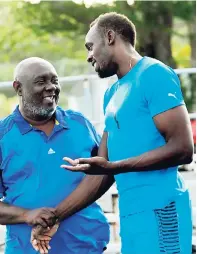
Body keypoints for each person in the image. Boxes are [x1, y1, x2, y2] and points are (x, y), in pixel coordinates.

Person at [62, 12, 194, 254]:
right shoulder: (110, 95)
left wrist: (115, 166)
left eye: (90, 47)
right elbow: (103, 170)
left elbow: (183, 149)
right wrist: (55, 215)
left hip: (161, 209)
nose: (88, 56)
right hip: (132, 217)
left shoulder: (154, 73)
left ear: (110, 37)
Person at [0, 57, 113, 254]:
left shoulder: (80, 124)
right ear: (18, 88)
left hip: (87, 246)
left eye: (55, 80)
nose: (51, 87)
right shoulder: (3, 136)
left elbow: (105, 173)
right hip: (28, 249)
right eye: (41, 82)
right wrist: (27, 215)